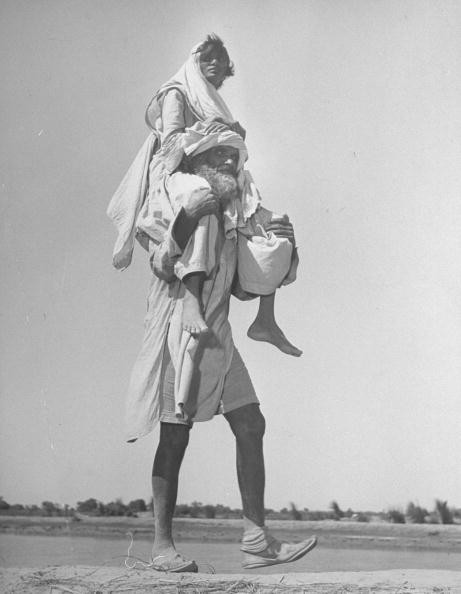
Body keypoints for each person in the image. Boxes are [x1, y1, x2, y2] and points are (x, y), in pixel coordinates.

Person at [123, 131, 317, 573]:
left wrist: (286, 245)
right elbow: (160, 261)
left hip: (218, 334)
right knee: (175, 436)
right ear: (199, 161)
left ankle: (256, 540)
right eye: (220, 154)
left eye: (235, 155)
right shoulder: (179, 199)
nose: (230, 161)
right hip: (178, 329)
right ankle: (161, 548)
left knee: (251, 423)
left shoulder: (231, 217)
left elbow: (242, 288)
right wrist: (188, 219)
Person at [139, 34, 302, 357]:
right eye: (207, 57)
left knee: (275, 225)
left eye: (221, 58)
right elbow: (171, 147)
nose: (215, 63)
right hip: (182, 174)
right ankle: (191, 300)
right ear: (194, 62)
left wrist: (227, 136)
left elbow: (239, 285)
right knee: (202, 204)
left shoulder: (213, 101)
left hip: (218, 176)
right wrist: (213, 131)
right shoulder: (177, 92)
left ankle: (266, 319)